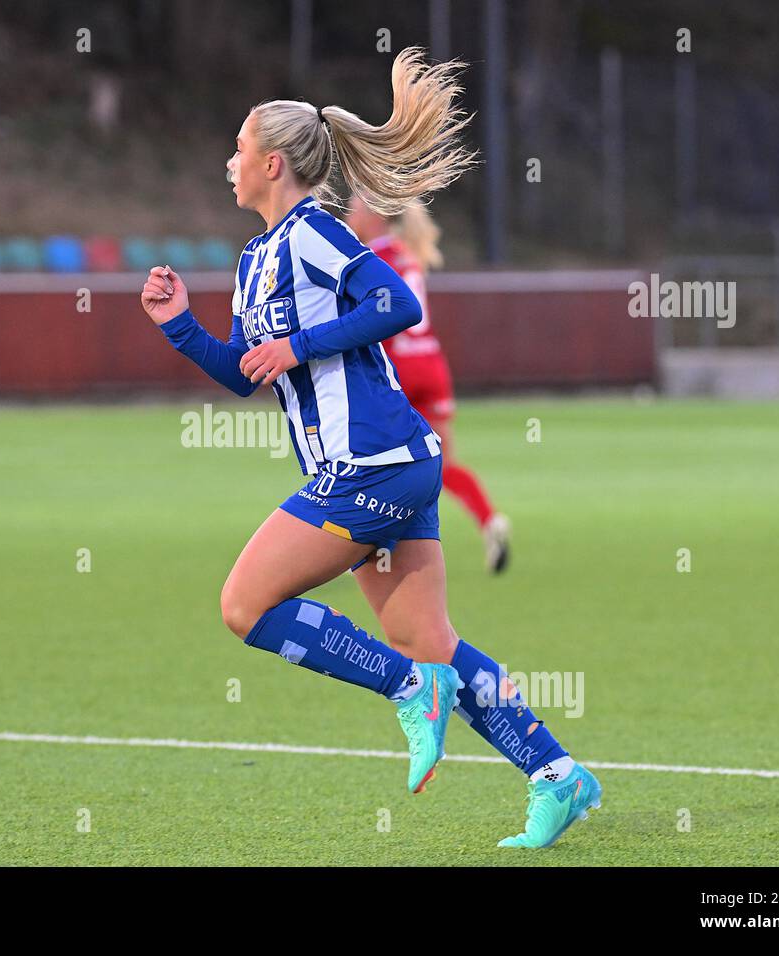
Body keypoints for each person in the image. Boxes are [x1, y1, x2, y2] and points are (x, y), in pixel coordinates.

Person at [140, 48, 601, 848]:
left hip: (373, 463)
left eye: (238, 149)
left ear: (272, 163)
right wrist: (179, 325)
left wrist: (301, 345)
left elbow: (392, 302)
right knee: (433, 643)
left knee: (246, 606)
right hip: (390, 467)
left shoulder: (314, 232)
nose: (228, 161)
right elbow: (247, 373)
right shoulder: (255, 260)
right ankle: (558, 776)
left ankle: (407, 691)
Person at [346, 198, 511, 573]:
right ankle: (489, 520)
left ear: (373, 214)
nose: (348, 215)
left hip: (398, 370)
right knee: (441, 463)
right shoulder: (408, 253)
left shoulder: (367, 260)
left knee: (374, 462)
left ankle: (367, 546)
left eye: (354, 208)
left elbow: (373, 321)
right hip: (433, 366)